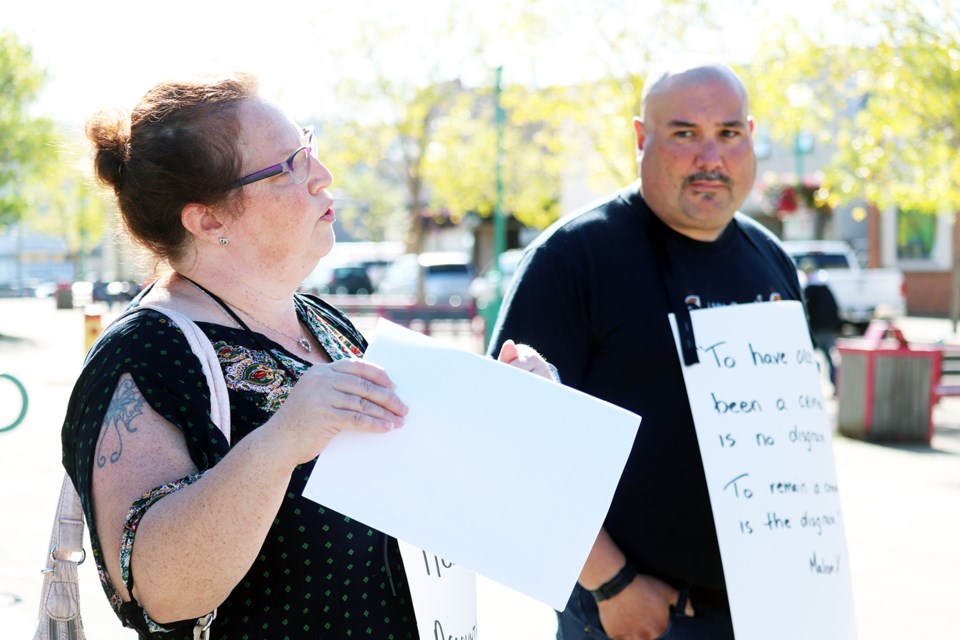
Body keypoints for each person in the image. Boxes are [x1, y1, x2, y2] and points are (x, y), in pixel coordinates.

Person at [62, 72, 553, 639]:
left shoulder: (326, 323)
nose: (322, 176)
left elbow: (437, 502)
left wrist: (515, 410)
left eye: (309, 147)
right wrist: (279, 444)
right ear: (208, 219)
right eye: (288, 165)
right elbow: (159, 592)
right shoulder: (144, 353)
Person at [489, 58, 804, 639]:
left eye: (728, 134)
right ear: (641, 138)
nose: (710, 157)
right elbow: (510, 441)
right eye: (685, 134)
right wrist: (611, 583)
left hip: (773, 608)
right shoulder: (574, 259)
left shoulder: (773, 259)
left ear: (751, 138)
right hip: (635, 617)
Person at [799, 258, 843, 390]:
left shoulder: (809, 289)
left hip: (816, 329)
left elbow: (806, 311)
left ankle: (811, 386)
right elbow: (835, 308)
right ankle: (836, 385)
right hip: (829, 328)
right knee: (829, 357)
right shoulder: (825, 287)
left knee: (809, 357)